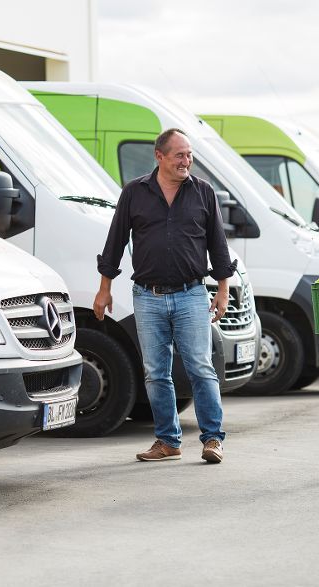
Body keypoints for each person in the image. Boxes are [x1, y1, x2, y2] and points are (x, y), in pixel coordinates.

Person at [93, 128, 234, 464]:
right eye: (179, 155)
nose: (186, 161)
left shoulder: (202, 192)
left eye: (189, 155)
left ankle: (213, 439)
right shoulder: (134, 193)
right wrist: (104, 288)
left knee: (201, 368)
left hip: (191, 294)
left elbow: (218, 243)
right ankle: (168, 441)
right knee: (156, 372)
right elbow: (115, 241)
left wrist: (223, 289)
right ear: (159, 156)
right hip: (147, 296)